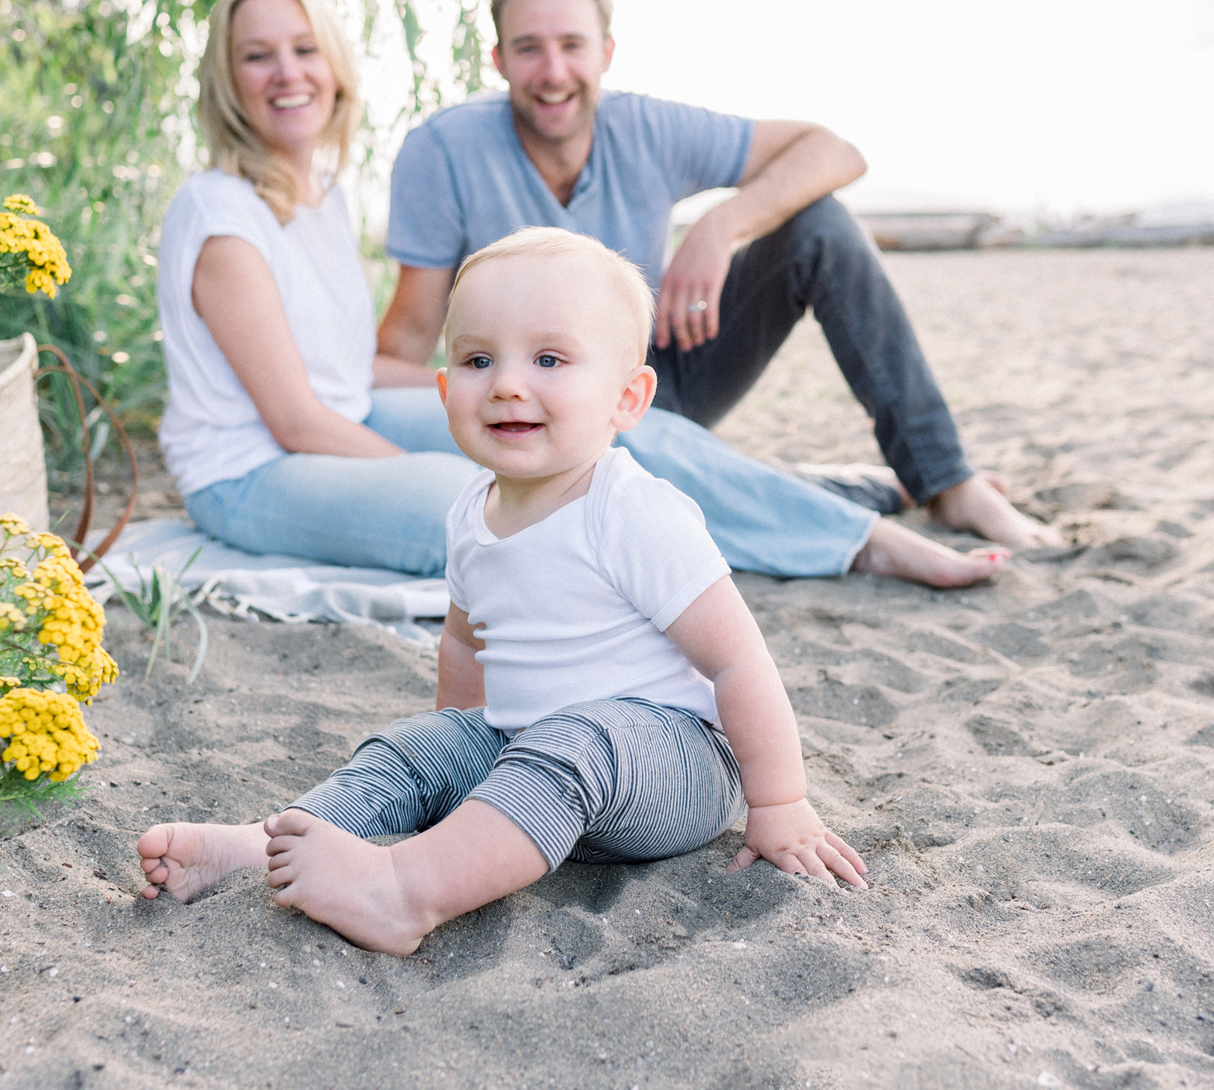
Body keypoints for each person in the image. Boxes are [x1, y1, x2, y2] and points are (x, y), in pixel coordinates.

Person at [138, 230, 867, 955]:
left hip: (669, 766)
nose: (509, 383)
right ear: (447, 390)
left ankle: (404, 891)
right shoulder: (468, 510)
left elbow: (740, 661)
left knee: (577, 739)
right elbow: (464, 640)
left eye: (549, 359)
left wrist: (780, 803)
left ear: (627, 398)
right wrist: (454, 759)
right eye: (479, 359)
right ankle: (264, 843)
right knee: (411, 749)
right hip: (527, 751)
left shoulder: (631, 510)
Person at [156, 0, 1006, 588]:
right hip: (251, 468)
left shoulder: (319, 196)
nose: (287, 72)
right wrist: (475, 453)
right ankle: (838, 520)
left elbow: (351, 376)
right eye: (258, 56)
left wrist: (715, 228)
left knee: (612, 442)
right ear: (227, 80)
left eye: (304, 49)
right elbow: (299, 415)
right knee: (501, 501)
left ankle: (869, 534)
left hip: (398, 407)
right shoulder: (224, 217)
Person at [378, 0, 1060, 552]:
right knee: (660, 485)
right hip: (542, 404)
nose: (554, 71)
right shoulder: (442, 153)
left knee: (818, 224)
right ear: (498, 60)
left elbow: (833, 151)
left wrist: (721, 226)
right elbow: (403, 341)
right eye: (528, 48)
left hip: (657, 377)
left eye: (572, 45)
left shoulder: (647, 127)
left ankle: (946, 480)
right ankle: (861, 492)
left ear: (606, 53)